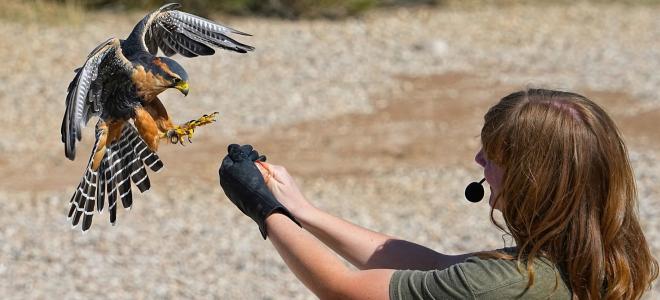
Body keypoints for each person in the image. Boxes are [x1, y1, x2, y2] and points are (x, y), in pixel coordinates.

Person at [218, 89, 658, 299]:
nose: (478, 159)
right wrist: (303, 211)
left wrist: (264, 209)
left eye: (493, 154)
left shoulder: (509, 285)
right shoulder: (579, 261)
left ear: (531, 178)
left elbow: (343, 291)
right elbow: (438, 267)